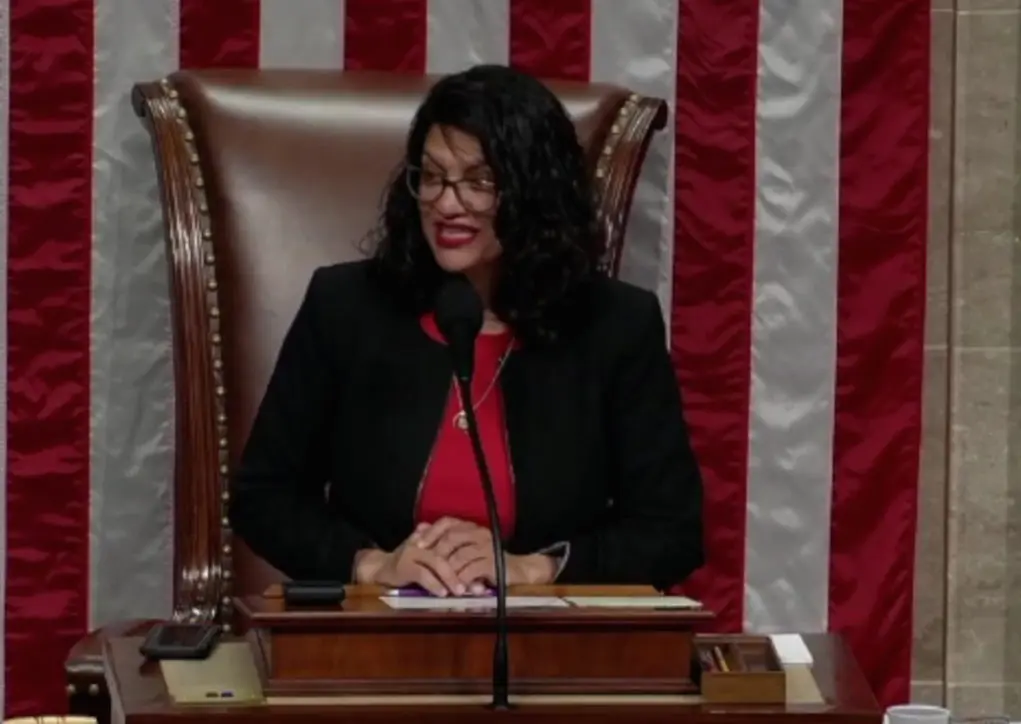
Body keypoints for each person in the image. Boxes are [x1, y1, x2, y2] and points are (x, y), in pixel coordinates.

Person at [228, 64, 704, 597]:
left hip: (546, 634)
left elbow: (673, 532)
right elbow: (263, 497)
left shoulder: (615, 326)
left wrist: (535, 570)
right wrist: (371, 565)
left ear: (536, 192)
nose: (446, 204)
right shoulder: (346, 307)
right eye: (432, 177)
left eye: (479, 182)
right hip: (375, 630)